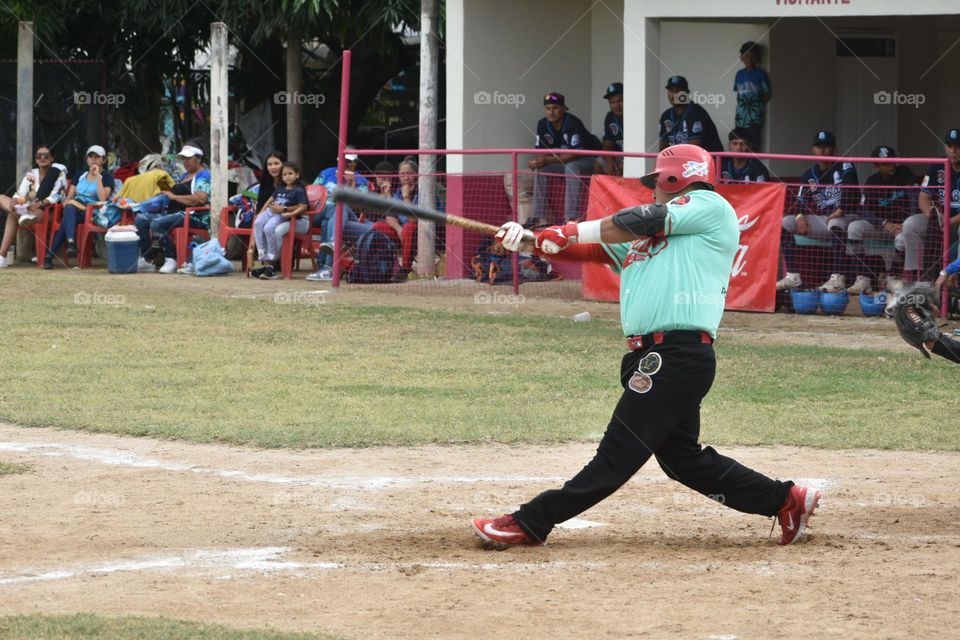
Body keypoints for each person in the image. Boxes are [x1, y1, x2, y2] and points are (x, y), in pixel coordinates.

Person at [476, 144, 821, 549]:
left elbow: (644, 217)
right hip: (654, 356)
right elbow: (591, 247)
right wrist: (532, 240)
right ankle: (785, 500)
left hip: (675, 355)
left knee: (616, 454)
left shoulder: (708, 206)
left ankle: (531, 521)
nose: (653, 190)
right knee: (682, 461)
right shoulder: (649, 237)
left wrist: (567, 230)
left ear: (676, 178)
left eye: (658, 181)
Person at [777, 130, 860, 292]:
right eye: (819, 146)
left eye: (826, 146)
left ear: (834, 149)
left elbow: (852, 191)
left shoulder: (844, 165)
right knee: (785, 222)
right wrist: (800, 217)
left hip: (850, 218)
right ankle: (793, 276)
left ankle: (838, 278)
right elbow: (800, 200)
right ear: (813, 150)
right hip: (826, 219)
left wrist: (841, 209)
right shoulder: (810, 173)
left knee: (835, 222)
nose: (822, 150)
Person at [845, 145, 916, 294]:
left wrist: (907, 223)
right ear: (876, 166)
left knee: (902, 239)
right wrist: (883, 223)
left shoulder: (904, 172)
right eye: (885, 163)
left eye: (891, 160)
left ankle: (892, 278)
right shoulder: (872, 181)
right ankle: (862, 278)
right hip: (881, 226)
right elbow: (863, 210)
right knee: (854, 227)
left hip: (902, 226)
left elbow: (915, 199)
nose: (891, 164)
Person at [134, 144, 211, 274]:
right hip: (176, 213)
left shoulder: (203, 175)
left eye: (189, 158)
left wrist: (174, 197)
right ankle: (148, 259)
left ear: (199, 158)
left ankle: (172, 258)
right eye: (183, 158)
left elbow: (200, 198)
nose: (185, 161)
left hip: (194, 215)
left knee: (156, 223)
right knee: (141, 219)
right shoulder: (185, 175)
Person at [901, 128, 960, 284]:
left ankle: (955, 279)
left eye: (958, 146)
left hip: (957, 222)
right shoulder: (937, 166)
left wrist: (949, 222)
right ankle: (915, 278)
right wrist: (936, 219)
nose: (953, 150)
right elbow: (923, 198)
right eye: (949, 145)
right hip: (940, 220)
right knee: (910, 225)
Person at [529, 92, 597, 222]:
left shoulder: (573, 122)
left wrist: (548, 159)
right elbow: (541, 151)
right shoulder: (542, 124)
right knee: (542, 168)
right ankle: (538, 216)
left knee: (571, 166)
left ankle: (571, 217)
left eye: (555, 108)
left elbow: (574, 154)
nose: (551, 112)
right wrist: (538, 161)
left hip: (590, 159)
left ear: (564, 109)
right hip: (566, 160)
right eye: (548, 109)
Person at [43, 145, 113, 269]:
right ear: (87, 159)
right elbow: (69, 197)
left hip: (91, 212)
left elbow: (103, 199)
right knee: (69, 210)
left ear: (104, 160)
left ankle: (51, 255)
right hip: (75, 210)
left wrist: (97, 176)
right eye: (91, 156)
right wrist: (70, 203)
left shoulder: (107, 177)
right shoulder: (80, 174)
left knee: (67, 217)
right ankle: (69, 244)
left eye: (97, 157)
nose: (94, 159)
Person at [305, 149, 370, 281]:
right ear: (337, 161)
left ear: (355, 164)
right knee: (334, 212)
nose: (345, 164)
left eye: (349, 161)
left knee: (336, 212)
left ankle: (326, 265)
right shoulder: (327, 173)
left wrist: (351, 185)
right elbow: (312, 192)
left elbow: (360, 205)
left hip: (345, 215)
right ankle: (330, 255)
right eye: (342, 161)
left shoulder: (360, 180)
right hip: (319, 210)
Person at [0, 145, 68, 268]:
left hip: (48, 212)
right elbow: (21, 192)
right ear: (36, 159)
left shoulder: (58, 173)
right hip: (28, 208)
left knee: (16, 215)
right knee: (4, 203)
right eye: (39, 155)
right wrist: (15, 200)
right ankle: (2, 257)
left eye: (46, 155)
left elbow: (58, 195)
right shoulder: (31, 174)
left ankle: (24, 215)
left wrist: (40, 204)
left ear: (52, 158)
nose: (42, 157)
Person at [250, 162, 309, 279]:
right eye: (285, 174)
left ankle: (272, 266)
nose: (287, 176)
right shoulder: (280, 188)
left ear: (297, 175)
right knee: (263, 225)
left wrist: (286, 211)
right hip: (282, 216)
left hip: (296, 220)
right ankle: (267, 264)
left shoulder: (299, 191)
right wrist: (261, 213)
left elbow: (303, 207)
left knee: (275, 230)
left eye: (290, 173)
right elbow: (270, 200)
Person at [658, 76, 723, 152]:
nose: (674, 94)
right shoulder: (666, 116)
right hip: (683, 160)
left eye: (678, 90)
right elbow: (662, 147)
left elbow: (693, 149)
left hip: (708, 161)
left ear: (686, 93)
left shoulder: (696, 113)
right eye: (671, 90)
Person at [733, 42, 771, 152]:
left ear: (758, 58)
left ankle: (753, 162)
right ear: (741, 57)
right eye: (746, 56)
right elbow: (738, 93)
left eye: (753, 56)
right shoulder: (739, 74)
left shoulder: (760, 74)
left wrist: (757, 106)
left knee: (754, 141)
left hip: (755, 115)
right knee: (740, 138)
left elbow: (767, 94)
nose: (749, 59)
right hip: (740, 115)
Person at [598, 82, 623, 176]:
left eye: (620, 101)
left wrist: (627, 163)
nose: (617, 105)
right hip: (618, 155)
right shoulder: (610, 117)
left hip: (636, 156)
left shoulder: (635, 113)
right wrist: (609, 161)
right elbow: (607, 144)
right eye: (612, 102)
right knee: (598, 165)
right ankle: (601, 191)